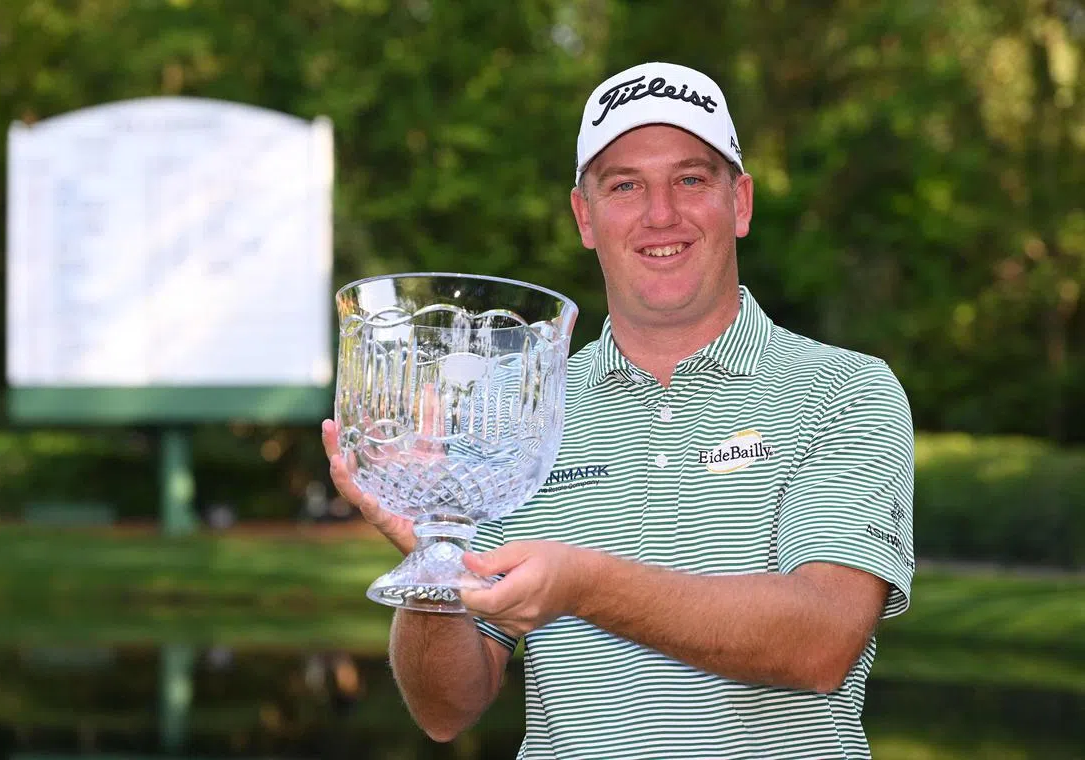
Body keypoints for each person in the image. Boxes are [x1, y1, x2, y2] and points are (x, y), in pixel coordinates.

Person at [322, 61, 915, 760]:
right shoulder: (515, 411)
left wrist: (584, 585)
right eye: (625, 185)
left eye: (691, 179)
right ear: (585, 216)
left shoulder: (846, 391)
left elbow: (821, 641)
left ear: (741, 202)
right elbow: (447, 708)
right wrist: (435, 554)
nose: (660, 213)